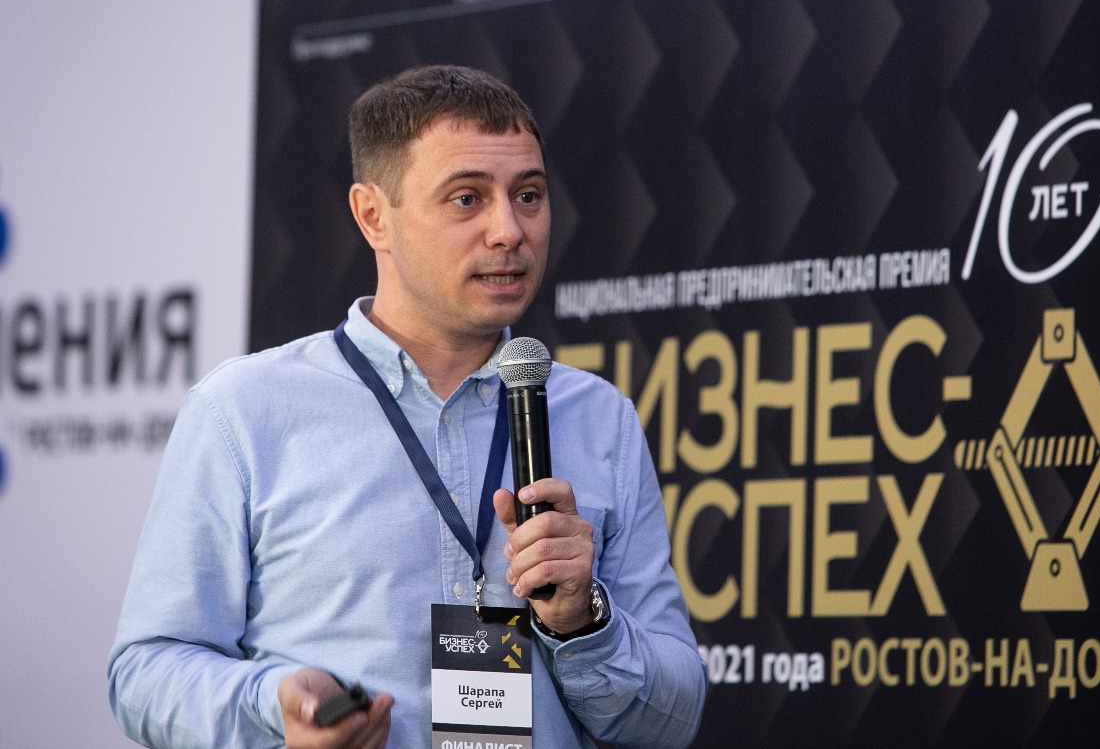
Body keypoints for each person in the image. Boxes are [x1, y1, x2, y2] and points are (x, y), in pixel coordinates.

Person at [108, 65, 707, 748]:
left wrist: (584, 620)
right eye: (466, 198)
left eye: (529, 195)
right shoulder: (243, 412)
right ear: (373, 216)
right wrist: (274, 706)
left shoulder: (599, 418)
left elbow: (675, 720)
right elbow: (145, 672)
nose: (509, 230)